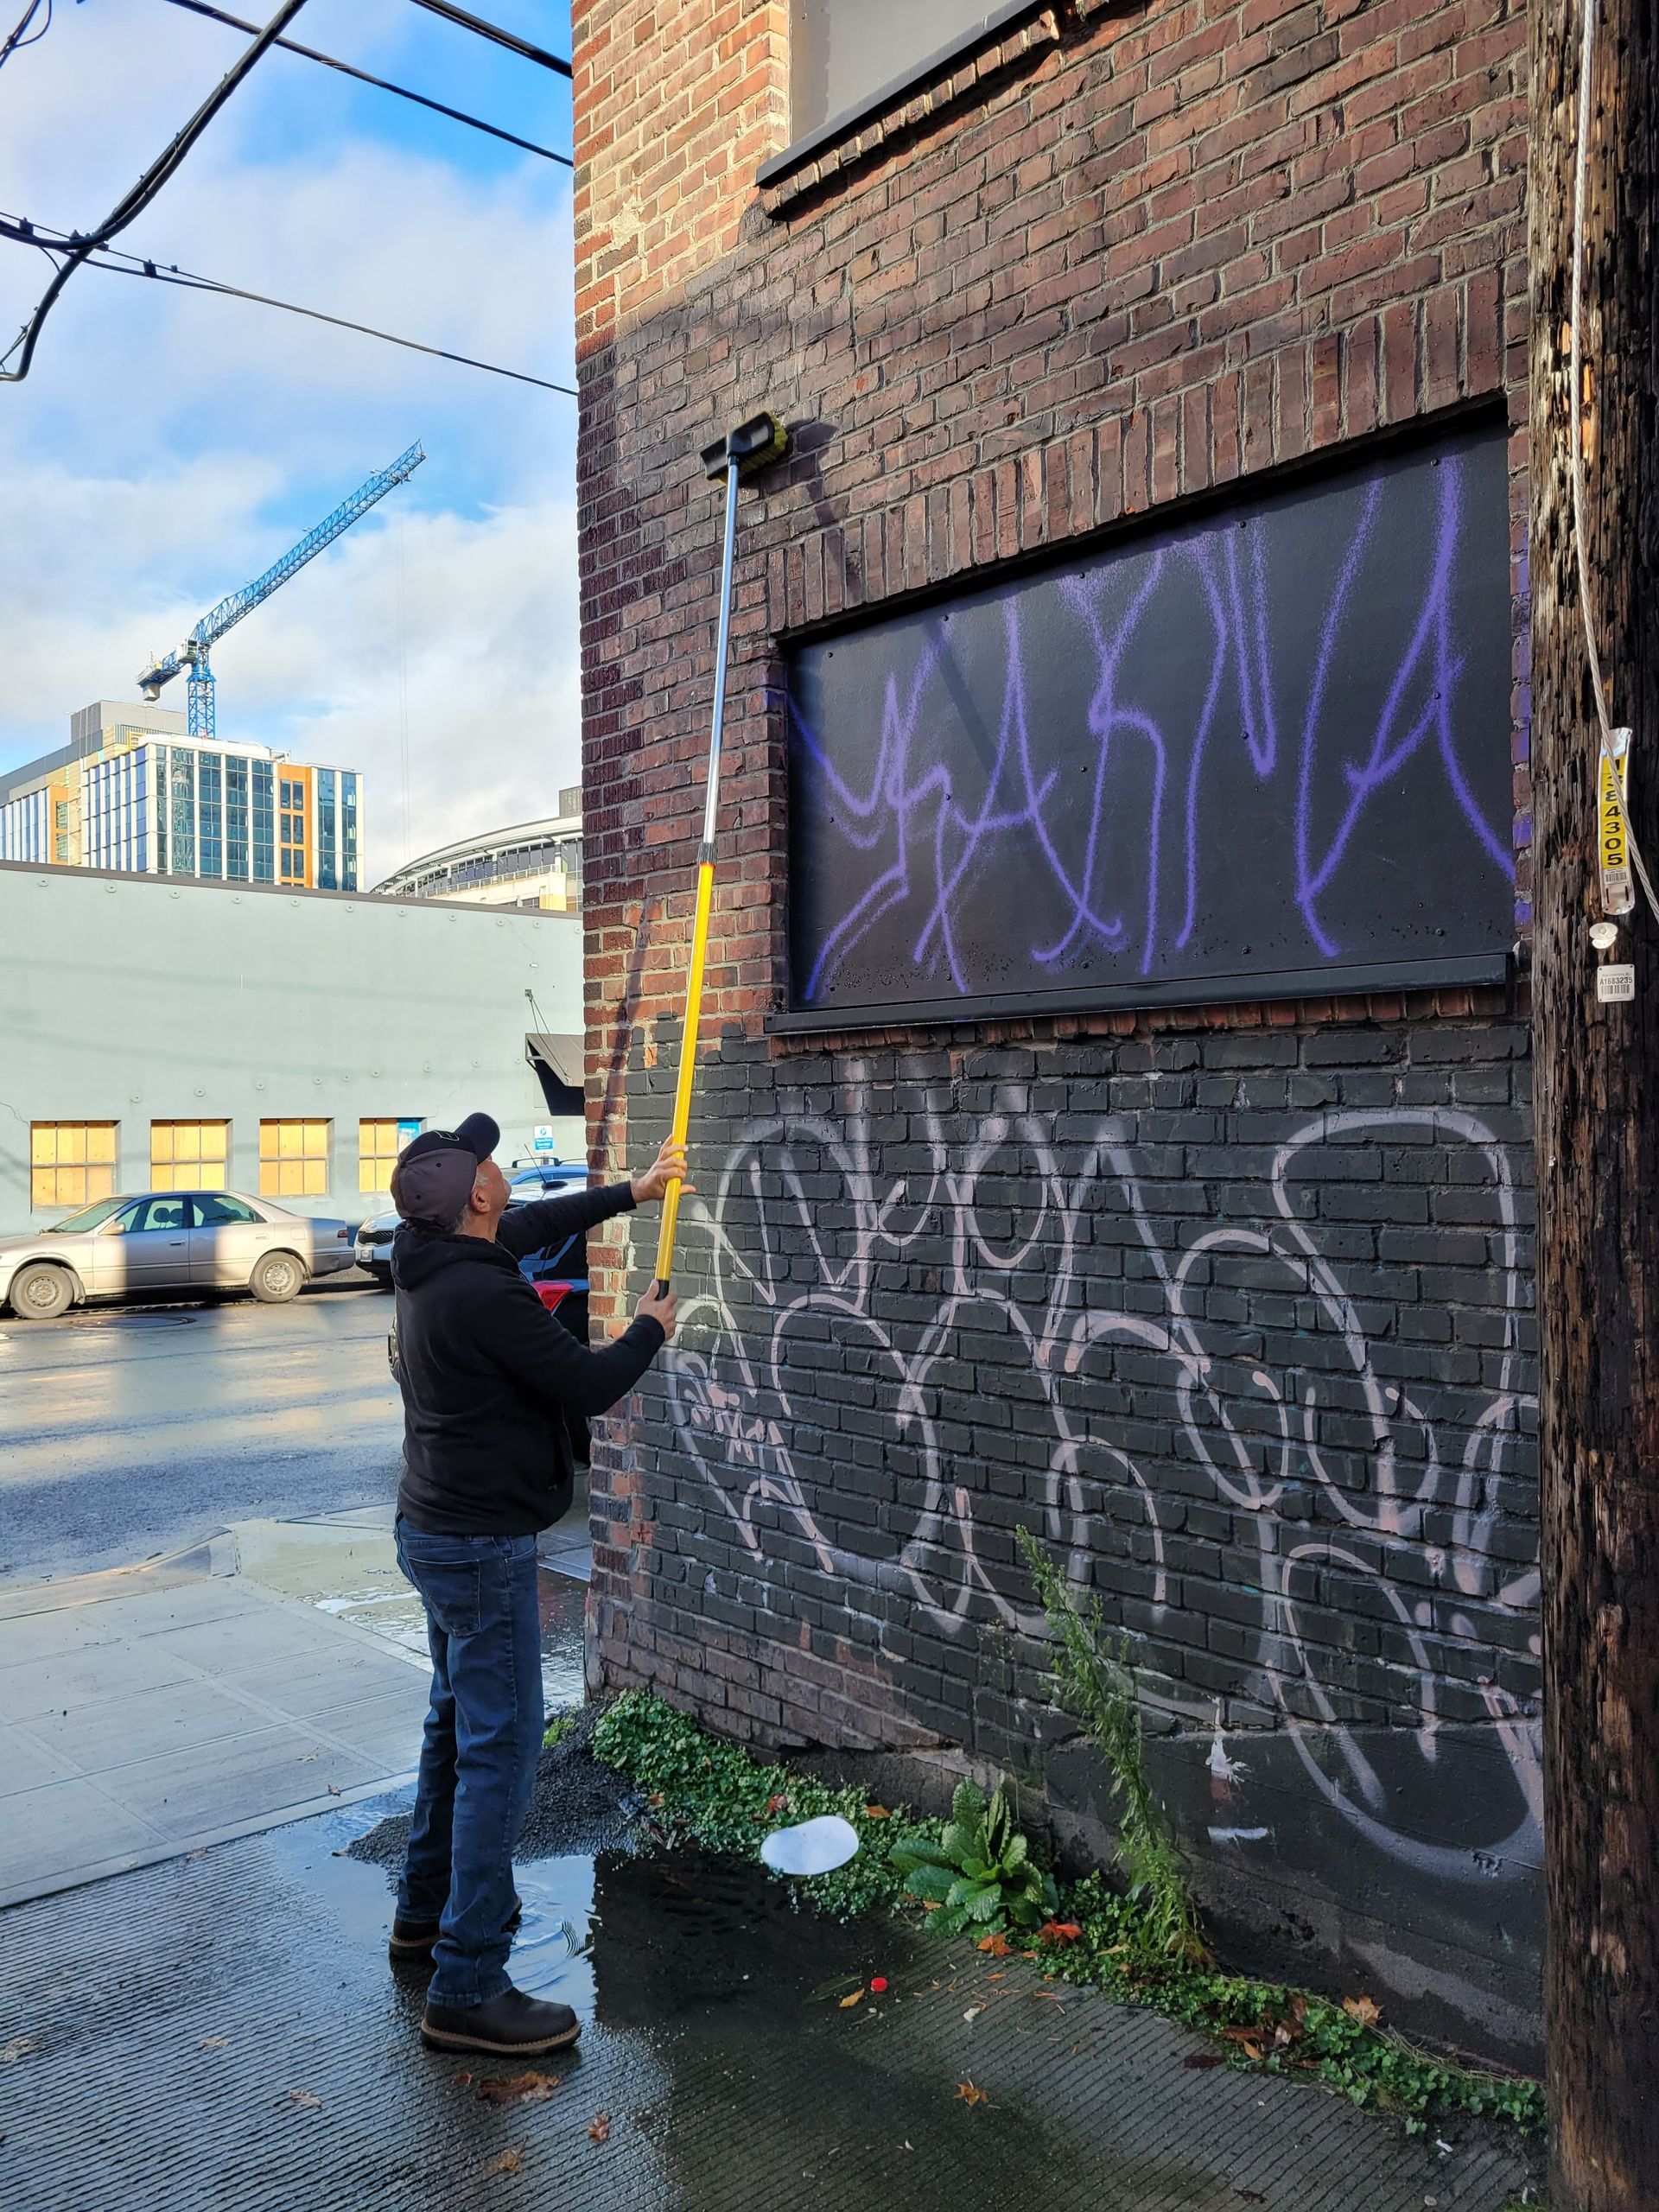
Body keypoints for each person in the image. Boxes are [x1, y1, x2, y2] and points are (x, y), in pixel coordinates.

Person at [384, 1111, 681, 2056]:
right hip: (477, 1546)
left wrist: (631, 1192)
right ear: (475, 1192)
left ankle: (422, 1920)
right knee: (502, 1756)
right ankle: (467, 1984)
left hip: (431, 1530)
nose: (503, 1169)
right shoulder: (483, 1298)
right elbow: (589, 1384)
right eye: (490, 1161)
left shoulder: (428, 1257)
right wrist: (650, 1327)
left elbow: (537, 1222)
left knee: (453, 1729)